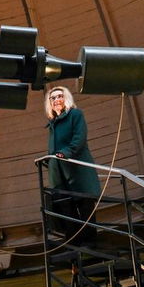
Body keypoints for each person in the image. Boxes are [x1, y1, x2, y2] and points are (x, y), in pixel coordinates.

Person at [45, 86, 99, 241]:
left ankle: (89, 244)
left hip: (78, 170)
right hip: (60, 175)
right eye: (53, 98)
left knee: (85, 208)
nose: (56, 100)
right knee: (66, 210)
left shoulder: (75, 115)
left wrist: (65, 154)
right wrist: (50, 161)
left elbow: (79, 139)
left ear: (66, 98)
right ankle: (74, 245)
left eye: (59, 96)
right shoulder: (52, 124)